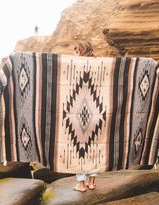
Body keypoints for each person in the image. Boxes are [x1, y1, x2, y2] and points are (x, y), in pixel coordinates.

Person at [73, 41, 97, 192]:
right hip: (96, 111)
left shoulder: (75, 65)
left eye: (76, 49)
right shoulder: (99, 64)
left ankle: (81, 184)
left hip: (79, 112)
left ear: (80, 50)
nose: (74, 51)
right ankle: (92, 182)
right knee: (94, 146)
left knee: (79, 148)